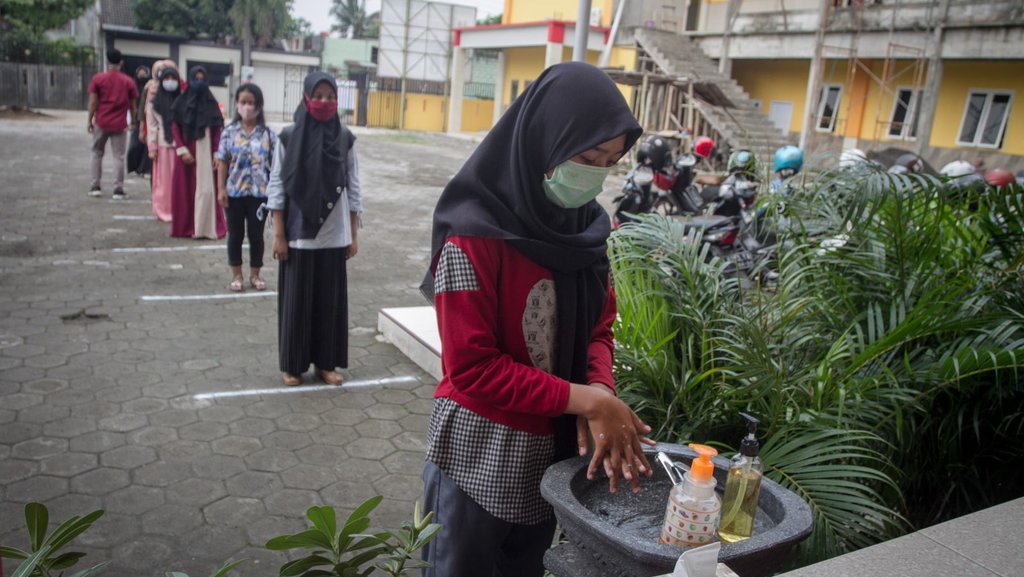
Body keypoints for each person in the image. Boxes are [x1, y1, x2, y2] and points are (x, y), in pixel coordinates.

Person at [418, 61, 655, 577]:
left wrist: (601, 390)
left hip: (551, 456)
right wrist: (586, 399)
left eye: (610, 161)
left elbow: (598, 328)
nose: (594, 175)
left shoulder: (586, 232)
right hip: (480, 455)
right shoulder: (472, 237)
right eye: (587, 157)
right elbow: (472, 369)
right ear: (540, 142)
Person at [267, 72, 361, 387]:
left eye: (329, 96)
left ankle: (325, 364)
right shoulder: (288, 136)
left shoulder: (345, 137)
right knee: (297, 303)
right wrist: (279, 234)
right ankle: (292, 365)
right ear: (307, 98)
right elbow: (277, 184)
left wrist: (352, 234)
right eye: (317, 96)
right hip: (298, 233)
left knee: (328, 302)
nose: (324, 102)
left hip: (334, 234)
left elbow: (354, 185)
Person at [216, 83, 277, 292]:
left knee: (256, 235)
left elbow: (276, 164)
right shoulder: (229, 132)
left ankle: (255, 274)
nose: (247, 107)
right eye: (243, 102)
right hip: (234, 192)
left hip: (260, 194)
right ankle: (236, 275)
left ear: (259, 106)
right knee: (235, 235)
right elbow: (223, 161)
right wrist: (221, 189)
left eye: (251, 103)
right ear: (237, 104)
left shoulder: (268, 134)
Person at [170, 66, 226, 239]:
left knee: (207, 189)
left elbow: (217, 130)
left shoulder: (211, 103)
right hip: (187, 154)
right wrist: (182, 149)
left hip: (207, 152)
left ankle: (206, 227)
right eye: (196, 79)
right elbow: (175, 127)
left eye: (202, 79)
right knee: (185, 192)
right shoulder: (180, 102)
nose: (199, 83)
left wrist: (217, 153)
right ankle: (187, 227)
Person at [87, 49, 138, 199]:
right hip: (119, 123)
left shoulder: (98, 79)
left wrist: (90, 120)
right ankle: (118, 189)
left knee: (97, 153)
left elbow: (93, 102)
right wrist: (133, 121)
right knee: (119, 156)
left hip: (101, 121)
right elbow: (133, 105)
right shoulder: (128, 81)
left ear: (107, 62)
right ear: (121, 62)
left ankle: (95, 186)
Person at [146, 66, 182, 223]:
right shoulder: (154, 103)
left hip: (180, 146)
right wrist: (152, 147)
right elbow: (151, 126)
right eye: (166, 79)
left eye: (173, 79)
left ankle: (179, 210)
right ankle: (163, 210)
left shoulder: (182, 100)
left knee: (178, 181)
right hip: (163, 146)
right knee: (163, 183)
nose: (170, 82)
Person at [127, 64, 152, 176]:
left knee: (146, 147)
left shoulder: (150, 87)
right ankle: (133, 167)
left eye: (144, 73)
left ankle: (144, 168)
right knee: (134, 146)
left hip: (148, 120)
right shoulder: (133, 86)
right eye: (139, 74)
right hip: (136, 120)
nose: (141, 76)